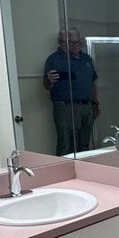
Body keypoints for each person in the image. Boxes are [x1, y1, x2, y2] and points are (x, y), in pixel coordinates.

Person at [43, 27, 100, 156]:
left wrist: (95, 104)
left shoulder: (86, 59)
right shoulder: (54, 60)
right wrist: (49, 80)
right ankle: (63, 169)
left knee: (84, 145)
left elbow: (92, 82)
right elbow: (46, 86)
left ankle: (83, 168)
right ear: (60, 41)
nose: (75, 46)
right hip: (65, 108)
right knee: (65, 144)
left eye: (78, 42)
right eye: (70, 43)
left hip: (86, 106)